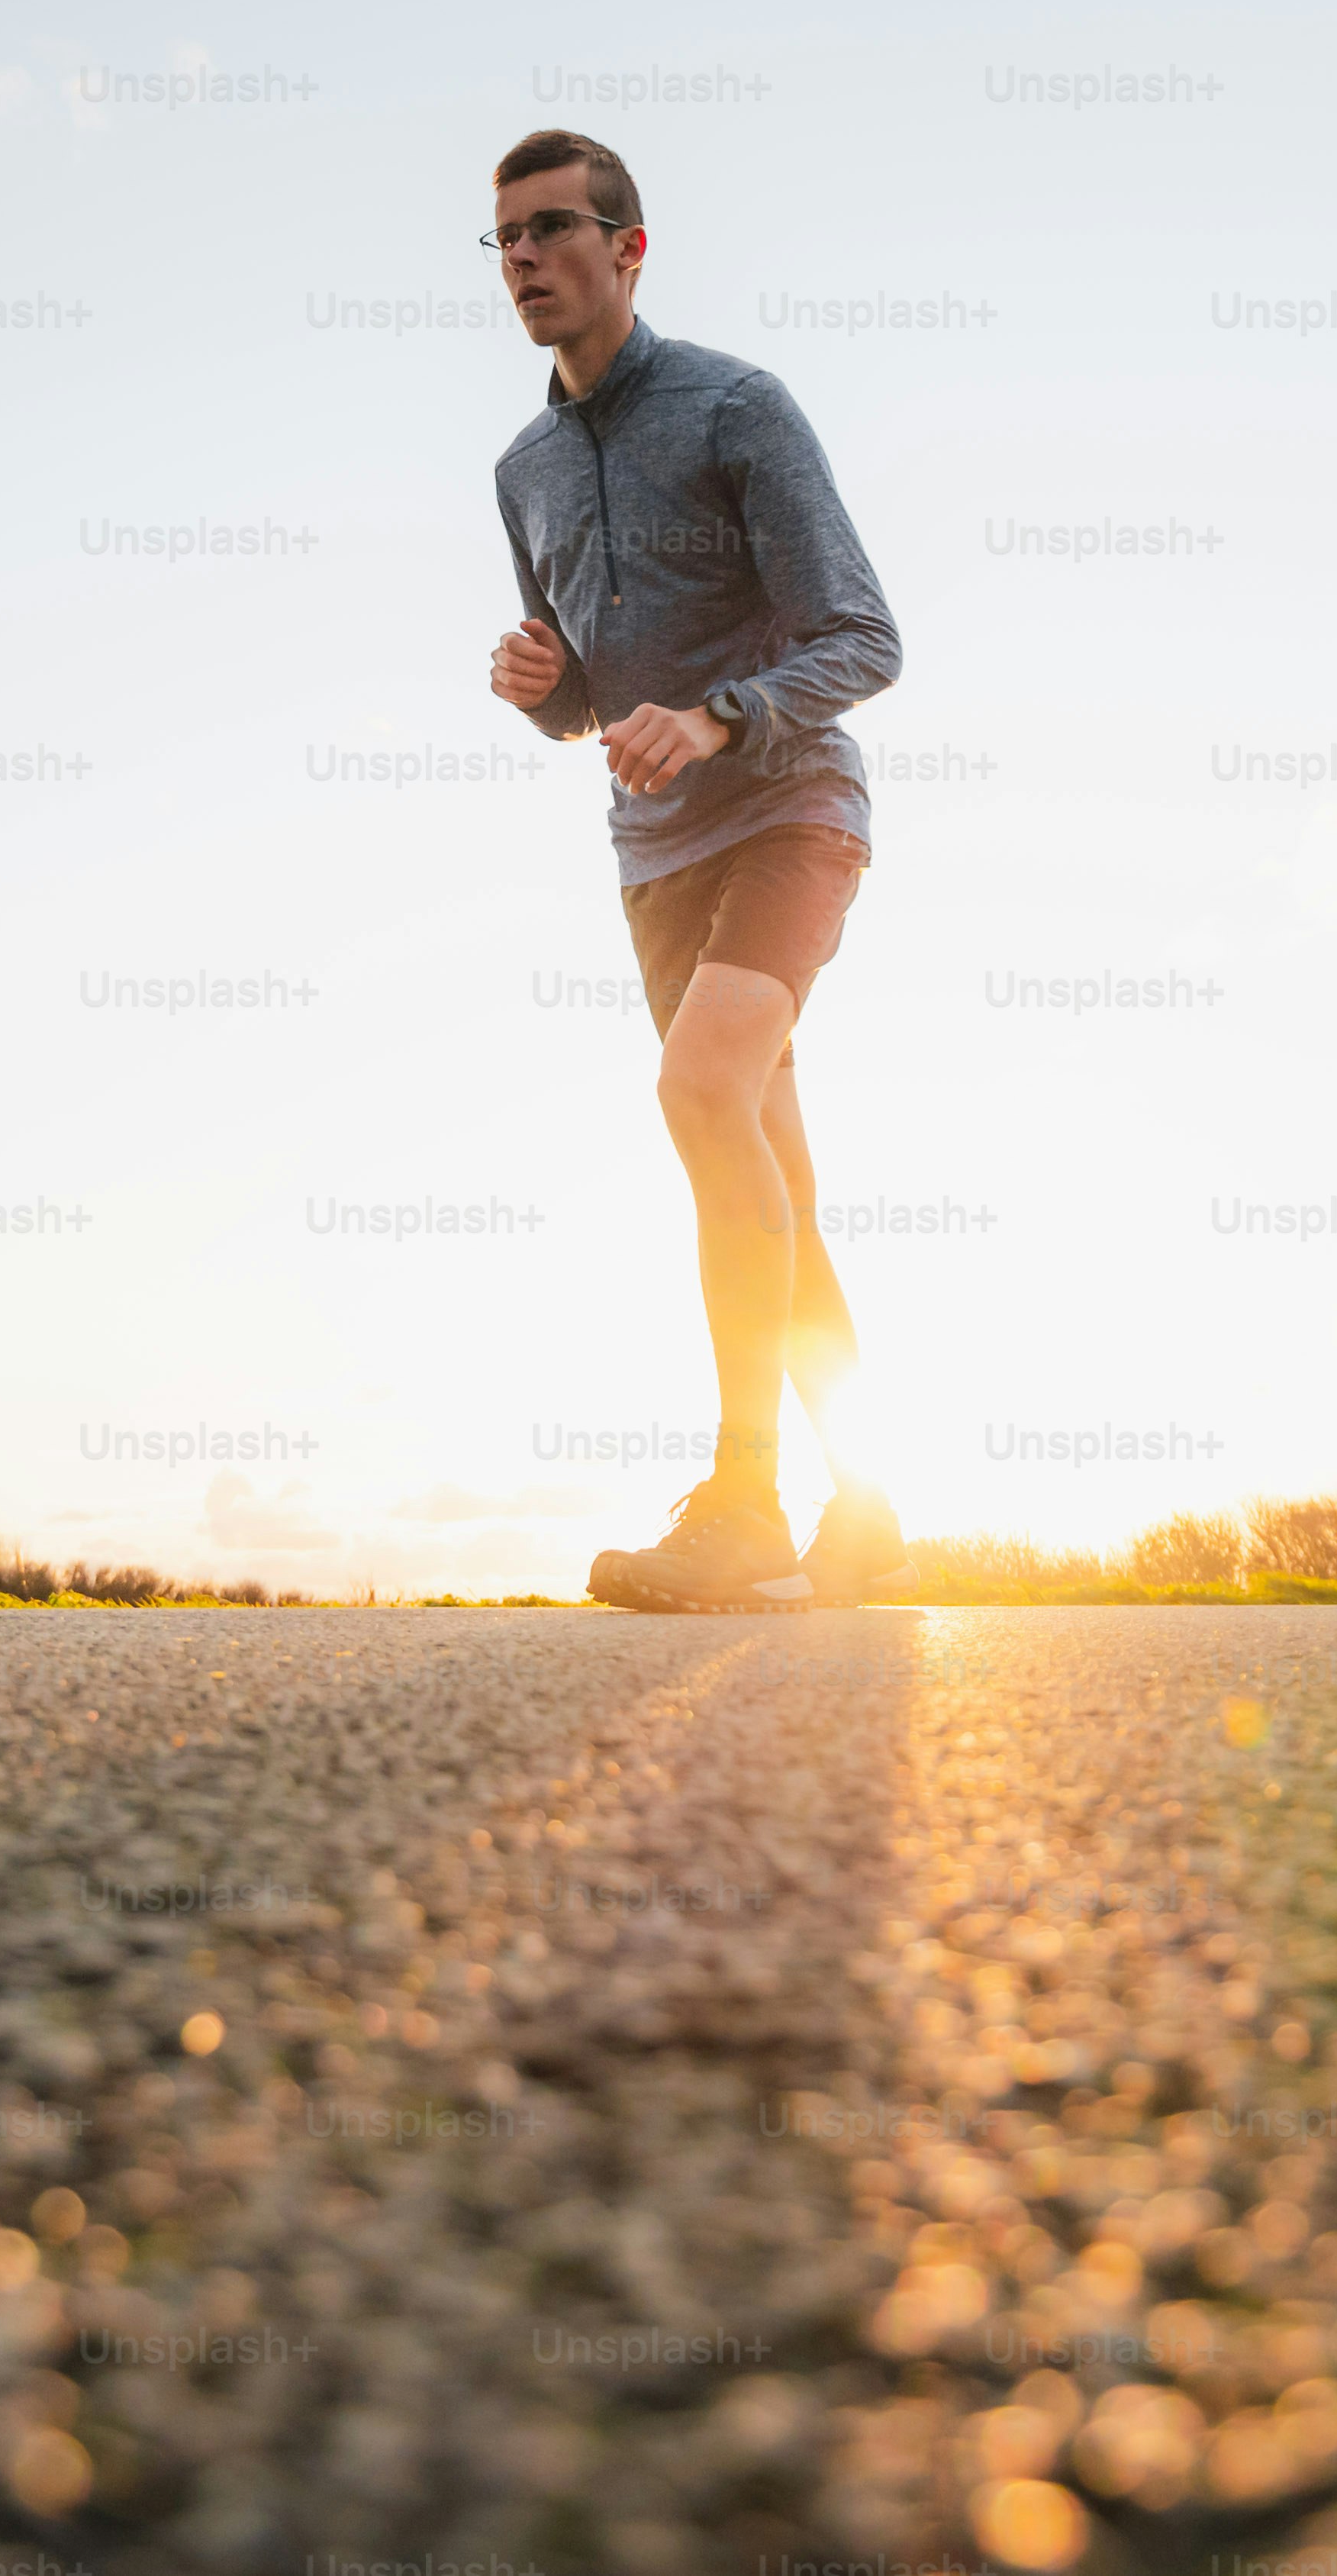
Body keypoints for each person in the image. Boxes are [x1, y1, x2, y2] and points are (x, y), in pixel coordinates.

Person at [478, 129, 908, 1613]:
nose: (523, 259)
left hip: (790, 812)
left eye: (551, 229)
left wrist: (723, 713)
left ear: (628, 247)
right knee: (766, 1168)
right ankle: (867, 1507)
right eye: (504, 240)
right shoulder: (522, 469)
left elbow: (864, 636)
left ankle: (743, 1508)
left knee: (698, 1091)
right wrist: (542, 687)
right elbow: (583, 700)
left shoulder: (736, 408)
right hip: (653, 858)